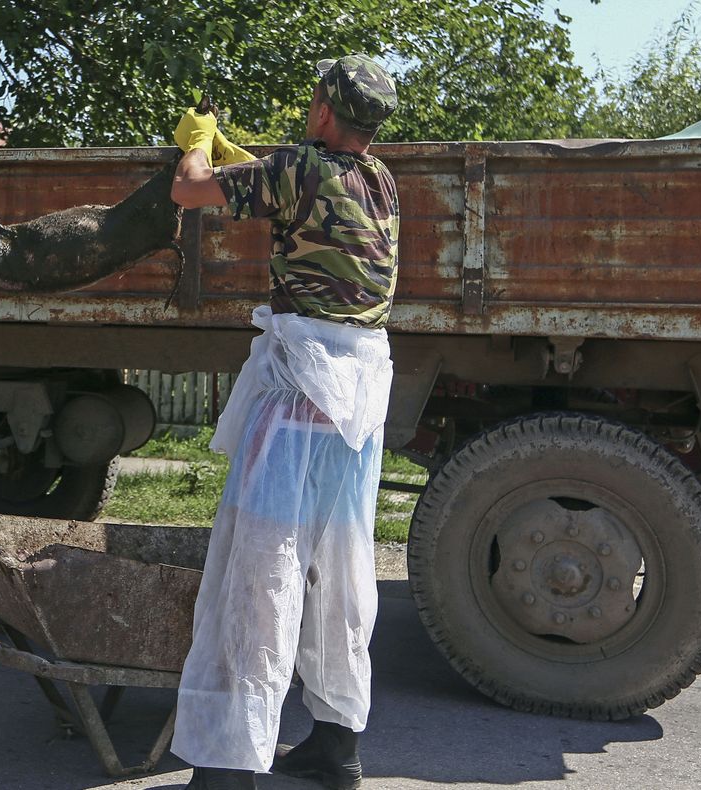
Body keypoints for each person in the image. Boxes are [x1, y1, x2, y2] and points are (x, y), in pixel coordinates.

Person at [168, 55, 400, 790]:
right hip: (359, 398)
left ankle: (230, 764)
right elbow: (287, 184)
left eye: (313, 99)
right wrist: (245, 156)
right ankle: (338, 745)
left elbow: (190, 189)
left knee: (259, 567)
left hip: (301, 388)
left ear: (327, 110)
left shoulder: (299, 169)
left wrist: (198, 141)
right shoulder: (379, 179)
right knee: (340, 567)